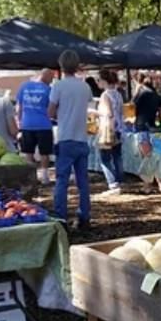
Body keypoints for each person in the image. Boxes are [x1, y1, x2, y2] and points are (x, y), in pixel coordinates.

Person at [49, 50, 93, 230]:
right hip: (81, 139)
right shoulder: (85, 87)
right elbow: (89, 105)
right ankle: (84, 215)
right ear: (77, 66)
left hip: (65, 138)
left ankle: (61, 216)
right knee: (83, 182)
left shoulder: (58, 86)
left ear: (61, 66)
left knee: (62, 181)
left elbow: (50, 112)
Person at [16, 69, 55, 185]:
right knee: (45, 153)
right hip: (44, 125)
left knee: (28, 153)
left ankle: (30, 177)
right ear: (45, 77)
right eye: (51, 78)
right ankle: (44, 176)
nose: (52, 80)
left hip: (27, 124)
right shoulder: (48, 90)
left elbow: (19, 106)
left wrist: (19, 121)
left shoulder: (24, 86)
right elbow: (51, 109)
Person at [95, 69, 125, 197]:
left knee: (105, 159)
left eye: (98, 80)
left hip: (108, 129)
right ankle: (119, 180)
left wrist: (93, 111)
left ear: (104, 81)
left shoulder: (105, 95)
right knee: (117, 156)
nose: (97, 83)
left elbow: (108, 113)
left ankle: (113, 183)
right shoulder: (118, 94)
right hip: (118, 128)